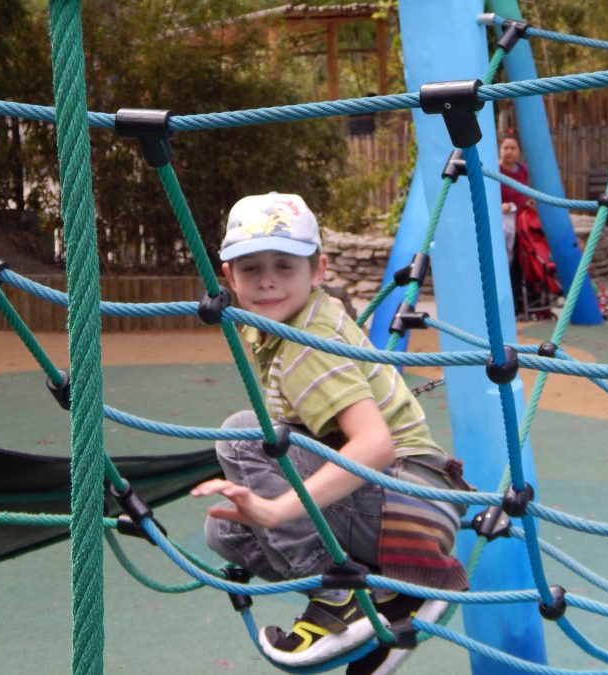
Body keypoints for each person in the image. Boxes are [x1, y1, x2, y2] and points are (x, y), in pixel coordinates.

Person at [192, 193, 471, 673]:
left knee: (242, 435)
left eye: (285, 266)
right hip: (405, 504)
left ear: (317, 270)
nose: (267, 281)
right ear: (229, 277)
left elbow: (376, 445)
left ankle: (340, 598)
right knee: (227, 531)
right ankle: (389, 601)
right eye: (251, 268)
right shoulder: (285, 323)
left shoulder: (307, 345)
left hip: (408, 501)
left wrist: (278, 510)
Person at [498, 133, 562, 318]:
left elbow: (523, 194)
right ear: (499, 150)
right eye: (505, 148)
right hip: (504, 224)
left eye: (513, 148)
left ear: (519, 151)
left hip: (522, 224)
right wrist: (500, 206)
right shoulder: (495, 170)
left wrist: (528, 202)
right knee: (509, 263)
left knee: (527, 260)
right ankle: (511, 303)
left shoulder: (523, 170)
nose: (509, 152)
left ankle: (528, 301)